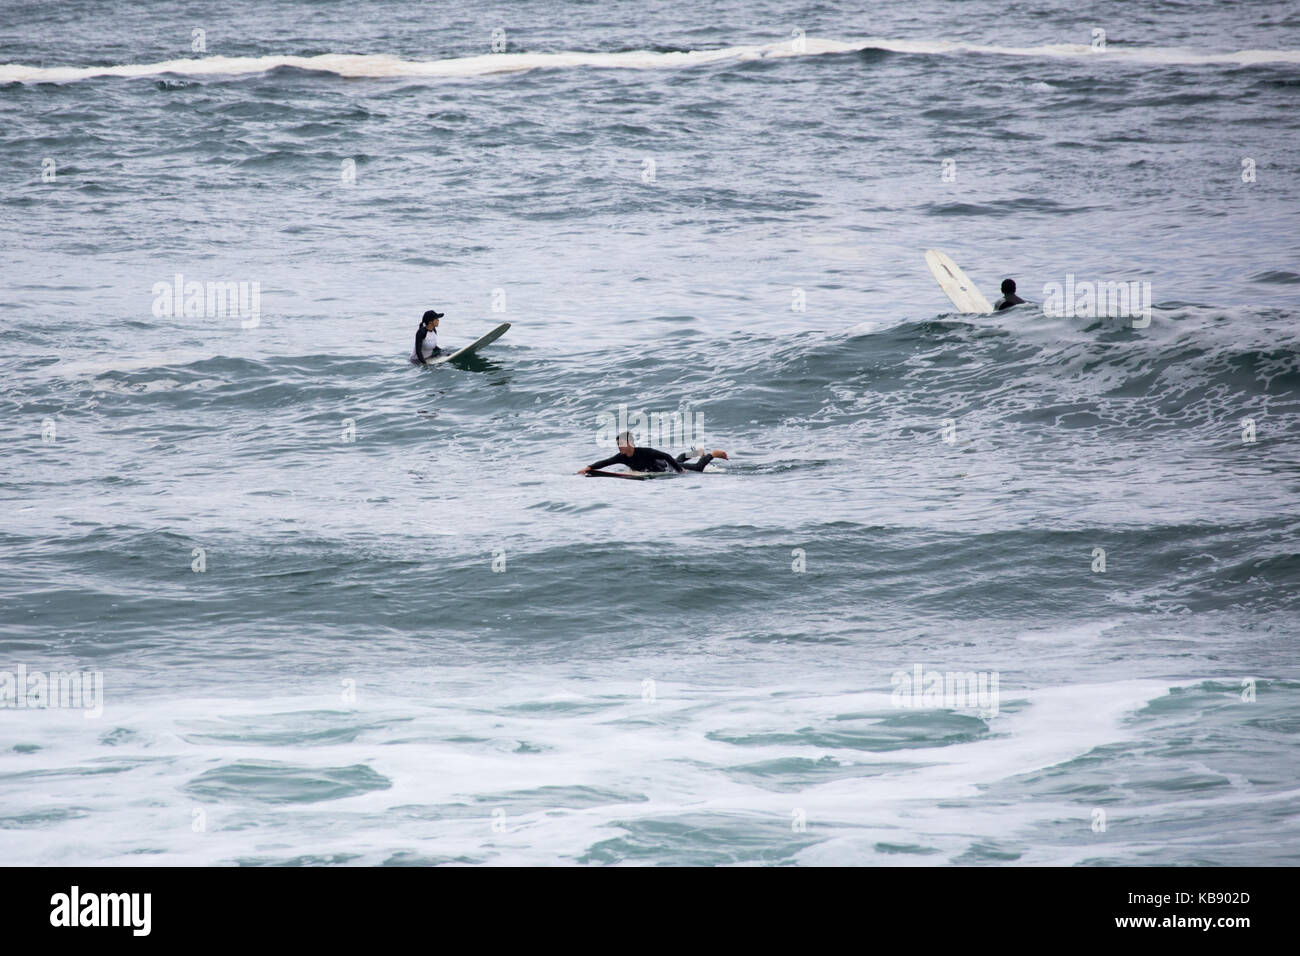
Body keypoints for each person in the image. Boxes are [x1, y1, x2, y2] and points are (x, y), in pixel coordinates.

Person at [578, 432, 729, 475]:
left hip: (666, 467)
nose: (619, 447)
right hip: (661, 466)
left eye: (621, 444)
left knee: (696, 468)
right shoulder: (621, 457)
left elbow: (666, 456)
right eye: (617, 445)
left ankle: (712, 454)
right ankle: (697, 452)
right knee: (681, 458)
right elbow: (605, 462)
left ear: (630, 444)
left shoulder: (645, 452)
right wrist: (589, 467)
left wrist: (679, 470)